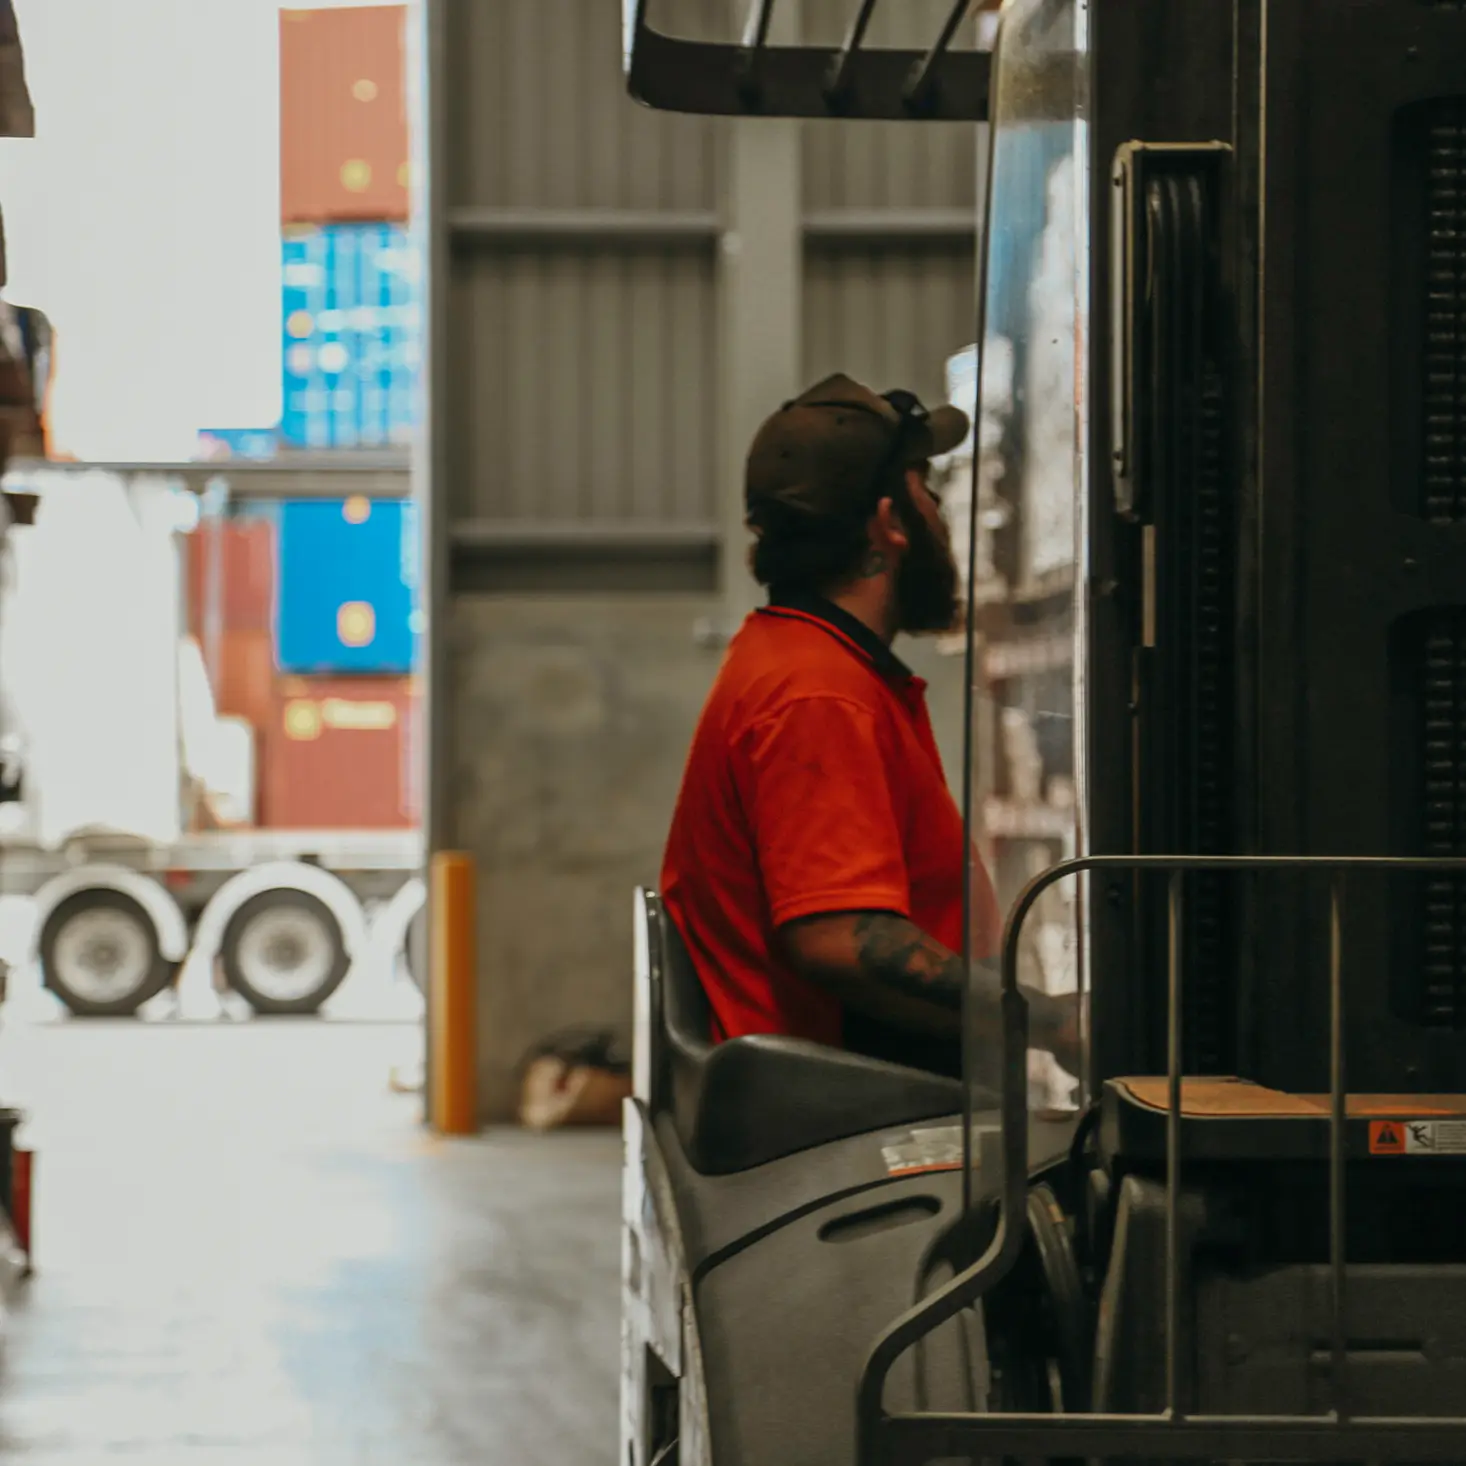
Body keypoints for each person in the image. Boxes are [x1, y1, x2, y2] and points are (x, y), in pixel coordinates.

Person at [661, 373, 1078, 1080]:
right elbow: (843, 942)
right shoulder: (817, 694)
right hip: (843, 1097)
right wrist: (1051, 1021)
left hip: (850, 1080)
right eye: (927, 491)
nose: (942, 518)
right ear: (889, 522)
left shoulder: (804, 660)